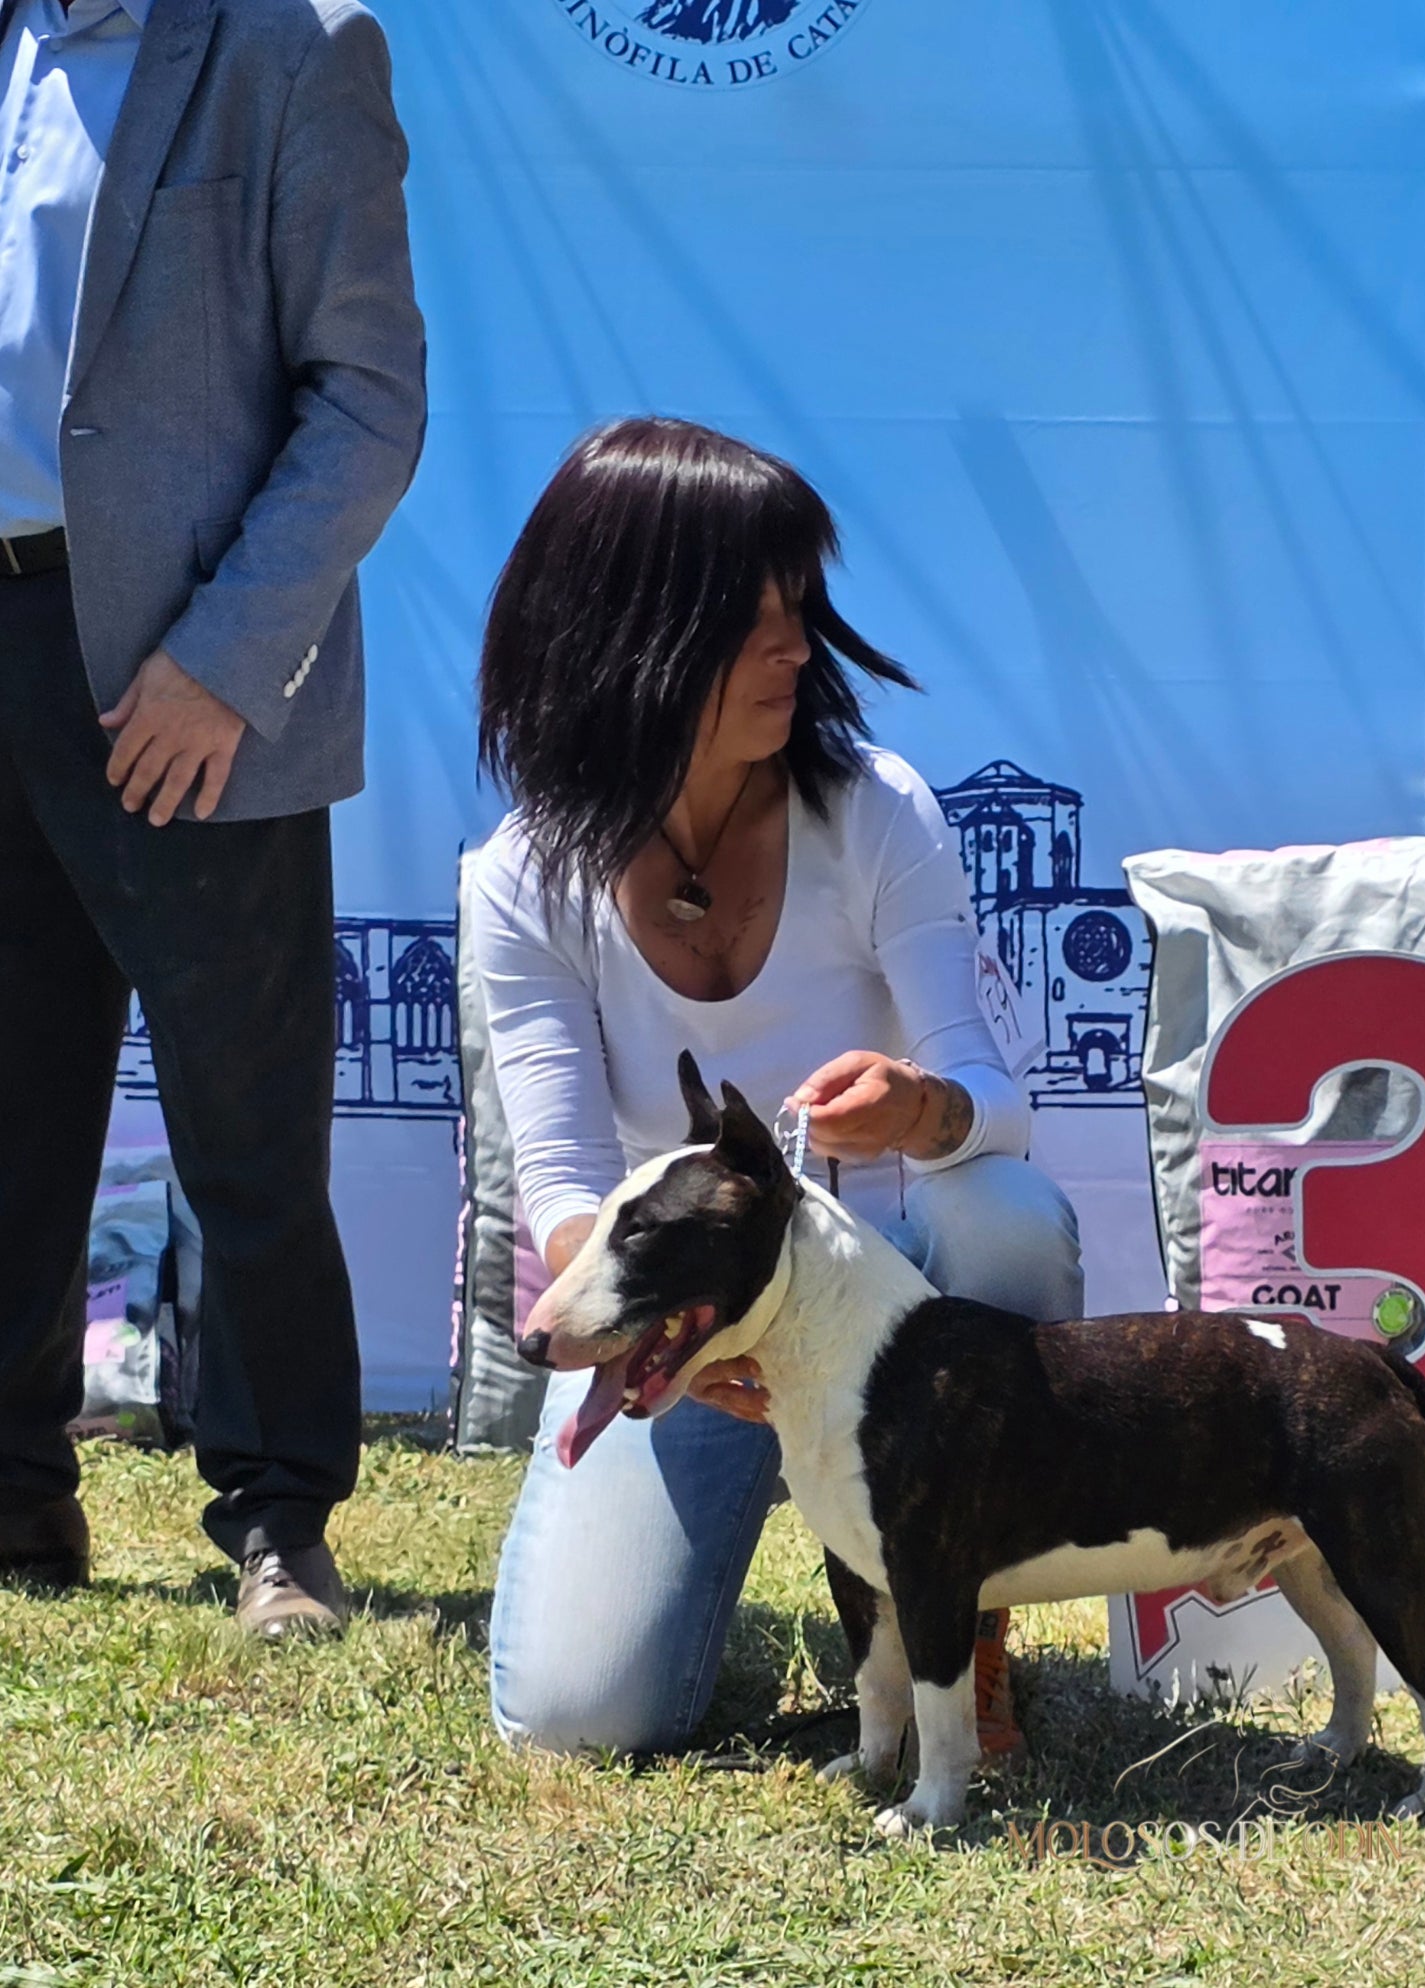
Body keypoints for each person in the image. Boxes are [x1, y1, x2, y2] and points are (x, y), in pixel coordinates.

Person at [473, 417, 1083, 1757]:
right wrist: (676, 1359)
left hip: (887, 1312)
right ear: (631, 629)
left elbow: (999, 1100)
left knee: (1008, 1218)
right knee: (578, 1719)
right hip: (678, 1332)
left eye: (801, 608)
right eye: (754, 618)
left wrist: (922, 1107)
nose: (799, 649)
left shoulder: (876, 807)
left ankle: (956, 1626)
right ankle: (849, 1568)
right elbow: (565, 1189)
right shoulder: (518, 878)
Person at [0, 0, 427, 1635]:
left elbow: (369, 400)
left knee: (242, 1131)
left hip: (183, 673)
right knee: (10, 1109)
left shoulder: (297, 45)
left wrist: (225, 663)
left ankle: (277, 1521)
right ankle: (17, 1499)